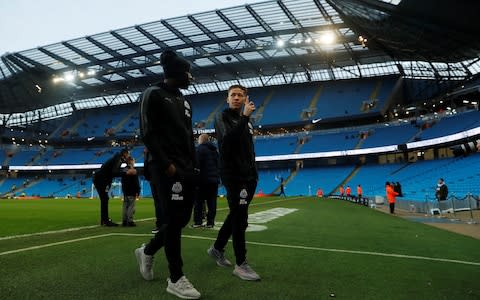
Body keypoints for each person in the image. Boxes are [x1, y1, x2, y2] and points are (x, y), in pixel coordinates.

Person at [135, 50, 200, 299]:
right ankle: (175, 277)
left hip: (186, 168)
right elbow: (147, 133)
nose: (191, 77)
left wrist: (194, 166)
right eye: (188, 73)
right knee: (174, 220)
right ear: (176, 73)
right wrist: (167, 165)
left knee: (180, 220)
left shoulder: (184, 100)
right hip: (164, 167)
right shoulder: (152, 94)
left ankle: (148, 251)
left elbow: (188, 136)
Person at [207, 84, 261, 281]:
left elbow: (247, 148)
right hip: (233, 175)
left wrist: (254, 172)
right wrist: (245, 117)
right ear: (227, 99)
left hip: (249, 176)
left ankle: (217, 248)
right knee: (240, 219)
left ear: (245, 98)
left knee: (237, 214)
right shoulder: (222, 117)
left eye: (240, 95)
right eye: (233, 95)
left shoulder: (246, 121)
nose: (236, 98)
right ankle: (241, 264)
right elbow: (228, 143)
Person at [93, 148, 131, 226]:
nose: (129, 156)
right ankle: (105, 220)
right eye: (128, 154)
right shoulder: (118, 159)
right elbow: (114, 172)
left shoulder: (118, 158)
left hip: (101, 179)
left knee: (105, 199)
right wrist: (125, 172)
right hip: (101, 180)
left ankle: (104, 219)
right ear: (125, 153)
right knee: (104, 199)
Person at [192, 134, 220, 228]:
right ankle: (210, 222)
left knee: (199, 201)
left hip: (203, 180)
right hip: (214, 180)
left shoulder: (200, 149)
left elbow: (196, 165)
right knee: (212, 202)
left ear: (201, 140)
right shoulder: (215, 150)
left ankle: (198, 222)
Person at [121, 157, 140, 227]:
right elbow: (136, 182)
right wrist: (138, 191)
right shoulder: (133, 170)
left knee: (125, 206)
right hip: (132, 191)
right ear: (131, 161)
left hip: (125, 191)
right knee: (131, 206)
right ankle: (130, 221)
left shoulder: (124, 170)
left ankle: (124, 221)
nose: (134, 162)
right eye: (133, 161)